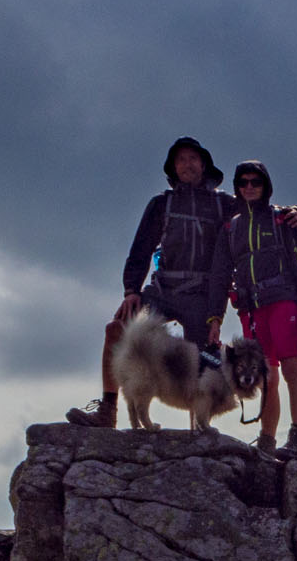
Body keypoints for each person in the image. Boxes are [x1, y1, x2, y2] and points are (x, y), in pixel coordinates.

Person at [68, 137, 237, 428]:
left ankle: (198, 427)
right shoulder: (162, 203)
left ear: (204, 164)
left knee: (202, 359)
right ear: (173, 167)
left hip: (201, 295)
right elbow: (141, 249)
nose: (187, 164)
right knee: (117, 331)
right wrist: (131, 290)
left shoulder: (224, 205)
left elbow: (257, 215)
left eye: (192, 158)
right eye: (180, 159)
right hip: (162, 291)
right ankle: (108, 411)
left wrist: (293, 214)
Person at [206, 159, 297, 459]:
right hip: (251, 309)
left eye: (255, 182)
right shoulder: (230, 228)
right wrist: (215, 318)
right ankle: (268, 442)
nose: (248, 188)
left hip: (284, 301)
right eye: (242, 183)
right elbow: (219, 275)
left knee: (291, 369)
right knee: (266, 375)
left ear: (265, 186)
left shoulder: (282, 219)